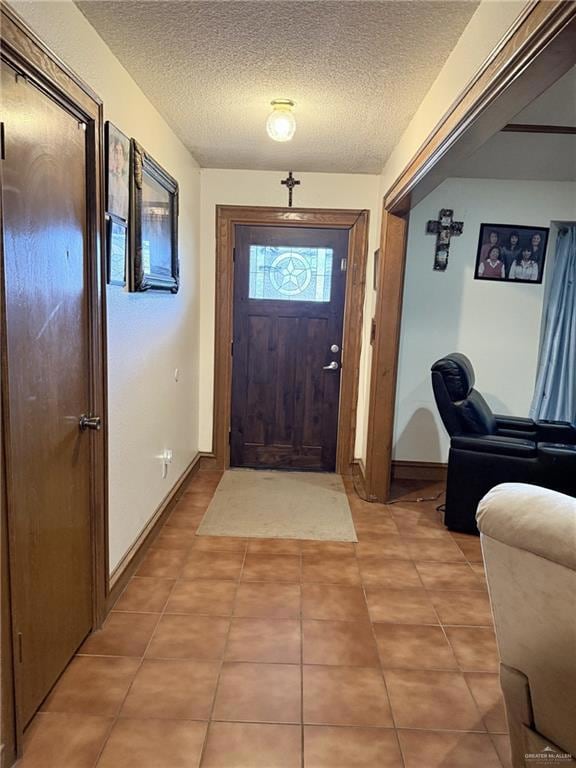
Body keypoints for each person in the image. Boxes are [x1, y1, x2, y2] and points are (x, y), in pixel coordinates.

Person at [108, 136, 129, 220]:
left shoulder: (124, 189)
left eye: (120, 153)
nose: (117, 157)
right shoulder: (107, 181)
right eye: (115, 152)